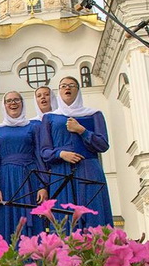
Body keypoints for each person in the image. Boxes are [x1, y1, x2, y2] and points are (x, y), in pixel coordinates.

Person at [40, 77, 112, 228]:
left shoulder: (93, 114)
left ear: (78, 91)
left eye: (72, 85)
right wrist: (61, 154)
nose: (67, 88)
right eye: (63, 85)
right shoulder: (50, 117)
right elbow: (44, 151)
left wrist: (82, 131)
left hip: (88, 169)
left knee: (93, 214)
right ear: (59, 92)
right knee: (64, 219)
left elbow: (103, 145)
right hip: (61, 172)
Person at [0, 92, 48, 240]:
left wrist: (43, 185)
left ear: (22, 103)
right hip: (6, 180)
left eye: (16, 100)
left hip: (30, 178)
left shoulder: (33, 127)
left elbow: (38, 155)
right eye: (9, 101)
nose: (13, 103)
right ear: (4, 105)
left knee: (32, 214)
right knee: (8, 218)